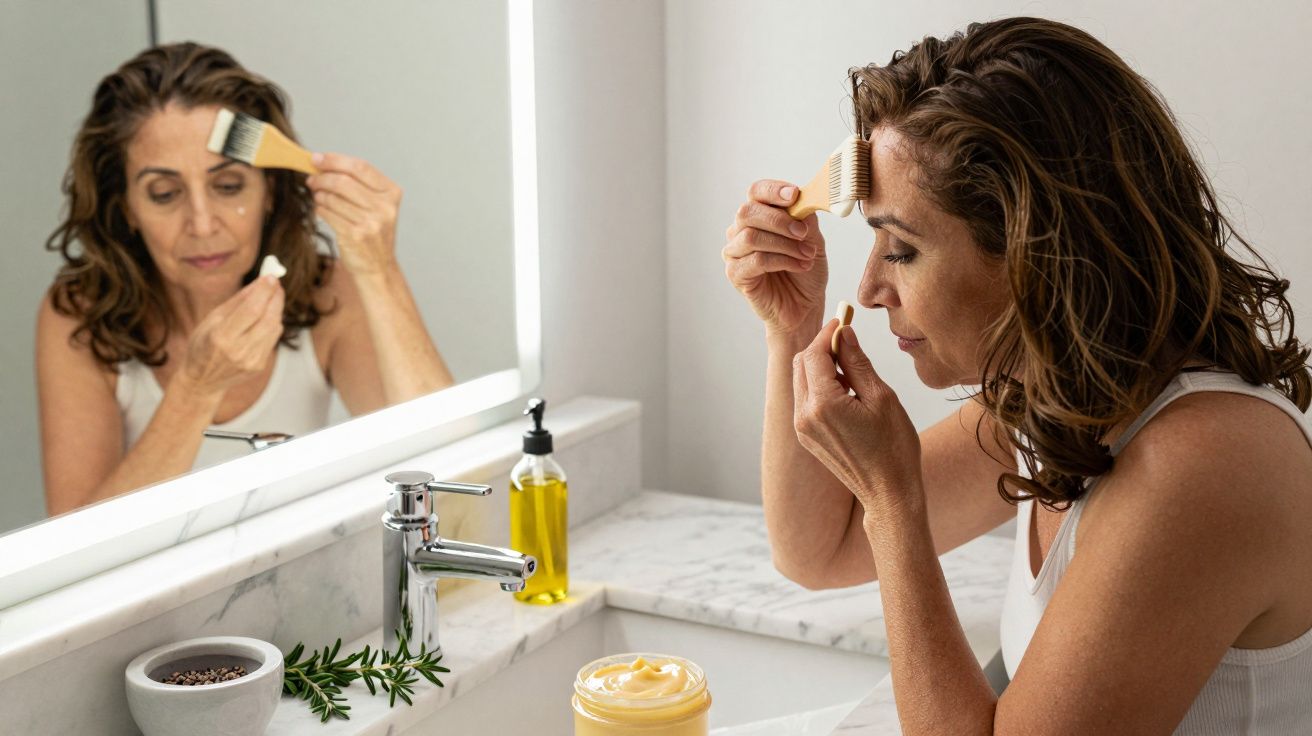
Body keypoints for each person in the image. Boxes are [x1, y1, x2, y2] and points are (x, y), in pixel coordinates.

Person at [723, 17, 1312, 733]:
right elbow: (817, 548)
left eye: (902, 250)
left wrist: (893, 498)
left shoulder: (1200, 463)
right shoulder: (1061, 403)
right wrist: (792, 327)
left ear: (1034, 251)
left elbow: (858, 527)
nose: (871, 288)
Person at [38, 43, 454, 516]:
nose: (201, 223)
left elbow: (447, 484)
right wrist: (195, 388)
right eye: (164, 193)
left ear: (270, 192)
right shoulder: (79, 314)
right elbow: (77, 553)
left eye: (229, 186)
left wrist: (380, 271)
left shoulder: (326, 293)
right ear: (127, 208)